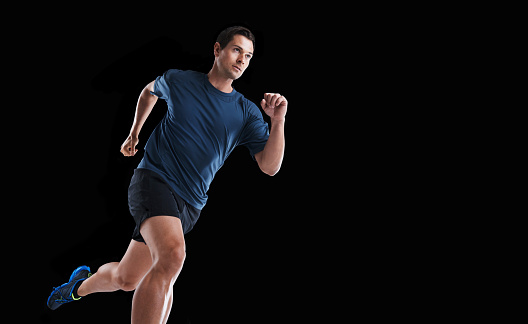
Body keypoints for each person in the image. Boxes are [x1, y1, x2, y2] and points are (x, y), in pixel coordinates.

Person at [47, 26, 287, 323]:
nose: (242, 60)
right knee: (173, 257)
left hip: (190, 204)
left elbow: (270, 165)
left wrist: (278, 122)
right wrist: (134, 133)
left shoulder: (247, 112)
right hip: (154, 180)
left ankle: (76, 288)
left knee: (127, 278)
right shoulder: (180, 80)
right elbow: (149, 91)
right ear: (217, 49)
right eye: (237, 50)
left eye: (248, 56)